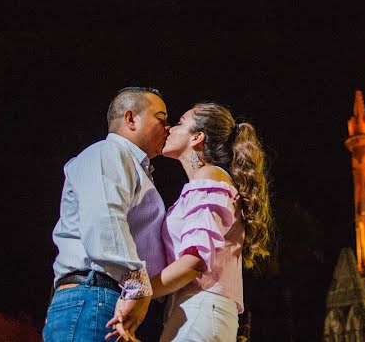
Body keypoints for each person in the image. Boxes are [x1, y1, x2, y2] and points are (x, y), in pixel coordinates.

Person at [110, 102, 272, 342]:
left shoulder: (209, 177)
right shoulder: (204, 183)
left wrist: (138, 291)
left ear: (197, 137)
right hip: (194, 310)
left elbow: (193, 262)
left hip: (202, 307)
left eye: (179, 123)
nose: (169, 128)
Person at [44, 87, 170, 342]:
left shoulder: (133, 167)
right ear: (130, 118)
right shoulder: (107, 153)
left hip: (109, 299)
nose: (168, 127)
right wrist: (138, 288)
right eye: (161, 118)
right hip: (96, 296)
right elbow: (105, 221)